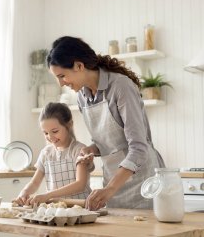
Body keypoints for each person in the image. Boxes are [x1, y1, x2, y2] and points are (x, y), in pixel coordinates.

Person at [46, 36, 165, 210]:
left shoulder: (120, 87)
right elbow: (108, 141)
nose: (61, 83)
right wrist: (91, 150)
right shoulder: (82, 97)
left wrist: (109, 189)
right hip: (112, 182)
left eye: (62, 76)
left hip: (143, 182)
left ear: (79, 66)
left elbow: (139, 148)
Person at [14, 102, 94, 206]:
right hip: (56, 209)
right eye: (46, 133)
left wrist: (48, 195)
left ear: (69, 125)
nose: (50, 137)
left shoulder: (79, 150)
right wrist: (24, 192)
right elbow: (34, 183)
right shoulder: (46, 153)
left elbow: (80, 184)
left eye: (55, 131)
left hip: (80, 207)